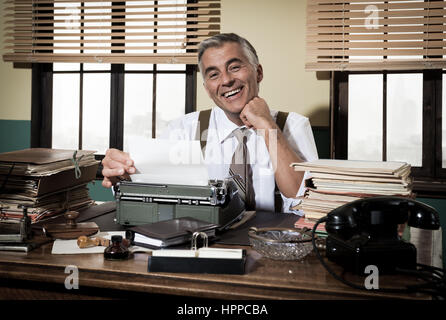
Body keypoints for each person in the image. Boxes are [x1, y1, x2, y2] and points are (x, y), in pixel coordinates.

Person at [101, 33, 318, 213]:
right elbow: (154, 195)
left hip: (273, 246)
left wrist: (268, 127)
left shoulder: (294, 125)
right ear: (207, 88)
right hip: (203, 245)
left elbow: (306, 201)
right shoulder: (182, 130)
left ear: (258, 73)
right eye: (214, 74)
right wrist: (124, 176)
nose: (226, 80)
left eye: (234, 67)